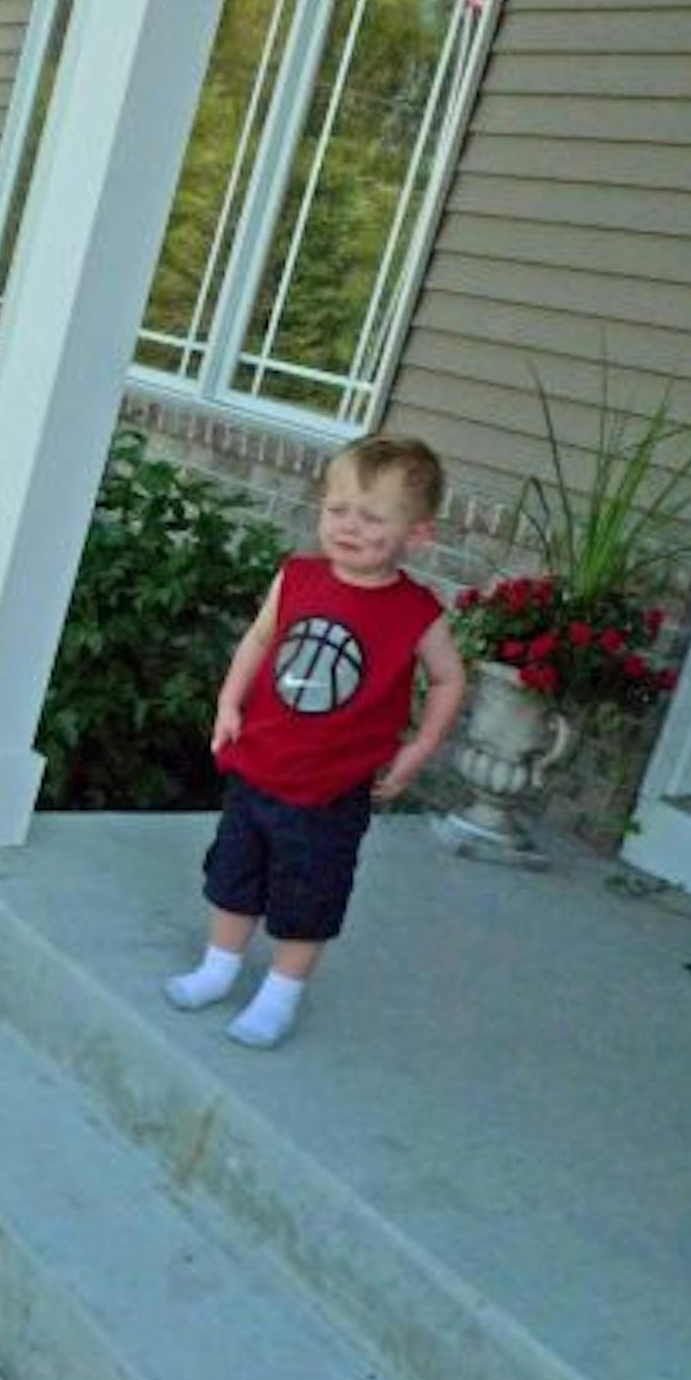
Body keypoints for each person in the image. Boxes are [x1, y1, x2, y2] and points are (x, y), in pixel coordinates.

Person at [162, 435, 465, 1048]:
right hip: (259, 767)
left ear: (418, 534)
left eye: (372, 518)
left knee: (310, 892)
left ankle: (281, 994)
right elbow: (258, 639)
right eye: (337, 510)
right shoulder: (297, 577)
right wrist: (228, 702)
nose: (349, 527)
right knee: (234, 874)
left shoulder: (415, 611)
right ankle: (219, 968)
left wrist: (418, 749)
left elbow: (448, 678)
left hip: (332, 790)